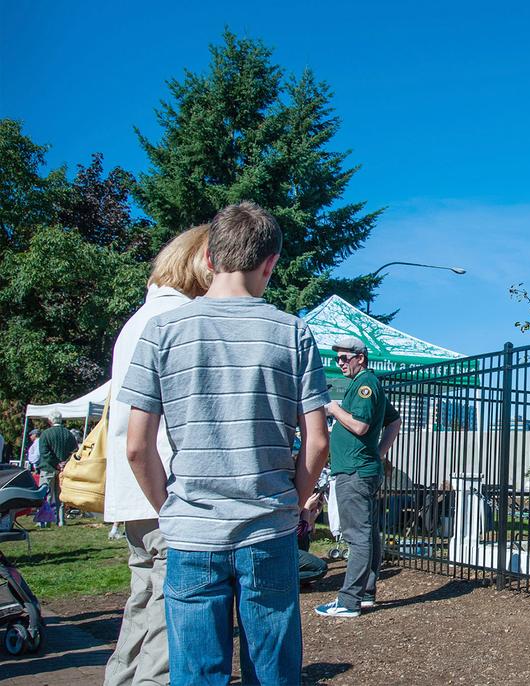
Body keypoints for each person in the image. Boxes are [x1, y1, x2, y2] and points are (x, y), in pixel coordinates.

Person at [121, 201, 330, 685]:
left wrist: (169, 508)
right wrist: (294, 502)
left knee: (196, 674)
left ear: (210, 259)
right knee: (273, 672)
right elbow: (317, 442)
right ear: (270, 264)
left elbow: (137, 446)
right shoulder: (293, 332)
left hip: (192, 532)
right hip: (267, 529)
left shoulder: (163, 331)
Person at [103, 224, 212, 686]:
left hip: (133, 490)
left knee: (142, 602)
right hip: (166, 486)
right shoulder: (180, 322)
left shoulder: (138, 321)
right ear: (206, 262)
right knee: (171, 622)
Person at [315, 336, 403, 618]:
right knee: (368, 534)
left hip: (355, 471)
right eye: (337, 359)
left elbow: (361, 425)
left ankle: (349, 600)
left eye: (344, 358)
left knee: (358, 535)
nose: (339, 363)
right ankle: (364, 594)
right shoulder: (367, 384)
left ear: (360, 358)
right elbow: (395, 421)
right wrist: (378, 453)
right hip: (361, 469)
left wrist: (333, 408)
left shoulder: (365, 385)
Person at [38, 411, 78, 527]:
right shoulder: (69, 434)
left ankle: (45, 521)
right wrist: (64, 463)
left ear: (50, 421)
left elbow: (44, 453)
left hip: (48, 468)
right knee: (60, 496)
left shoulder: (45, 434)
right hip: (63, 469)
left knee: (46, 495)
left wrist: (56, 463)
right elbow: (75, 451)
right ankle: (61, 520)